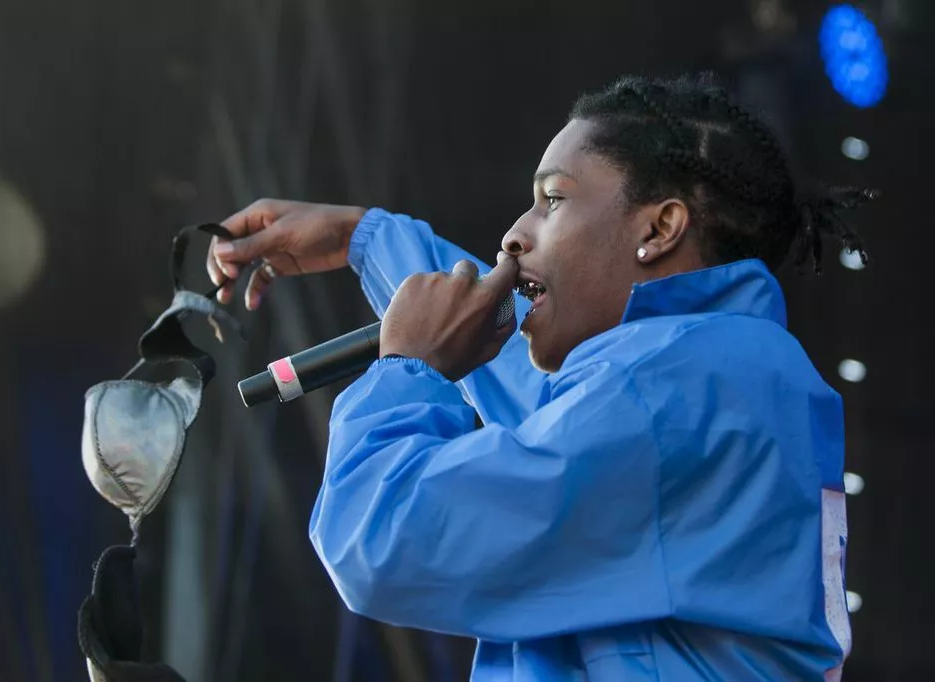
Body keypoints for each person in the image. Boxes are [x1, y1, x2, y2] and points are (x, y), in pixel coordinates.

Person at [207, 73, 873, 681]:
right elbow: (540, 406)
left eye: (552, 199)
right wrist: (370, 240)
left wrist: (409, 370)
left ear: (660, 227)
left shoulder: (675, 388)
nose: (513, 237)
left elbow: (382, 540)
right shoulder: (721, 372)